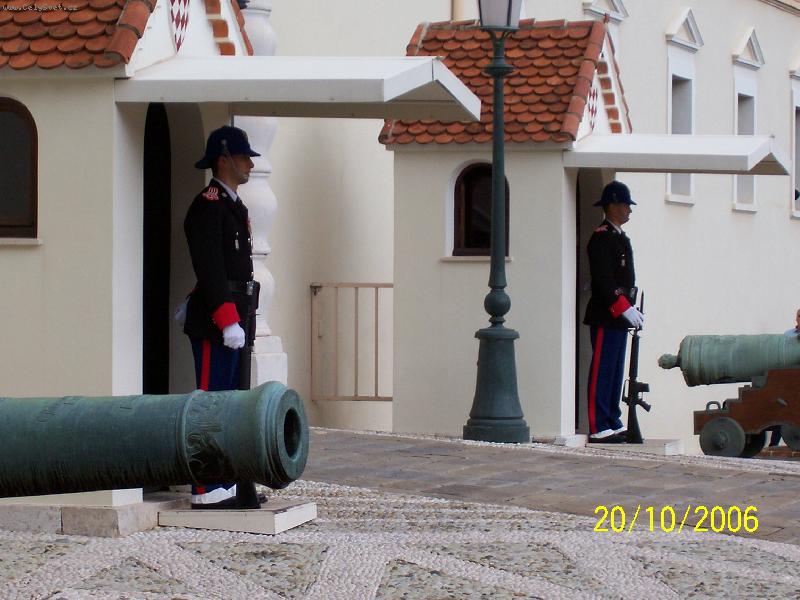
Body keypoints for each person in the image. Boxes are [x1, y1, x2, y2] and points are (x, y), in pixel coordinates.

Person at [182, 125, 263, 509]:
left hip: (236, 316)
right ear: (224, 158)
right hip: (216, 321)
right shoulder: (208, 205)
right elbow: (210, 268)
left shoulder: (233, 205)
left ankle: (226, 483)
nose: (250, 164)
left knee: (230, 406)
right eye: (244, 156)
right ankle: (204, 487)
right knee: (210, 404)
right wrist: (227, 319)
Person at [583, 180, 644, 443]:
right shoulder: (601, 238)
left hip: (619, 315)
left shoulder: (619, 237)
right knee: (602, 370)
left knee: (616, 371)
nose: (629, 210)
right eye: (625, 205)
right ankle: (598, 424)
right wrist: (623, 308)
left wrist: (630, 309)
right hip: (606, 314)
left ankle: (611, 419)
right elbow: (604, 281)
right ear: (612, 206)